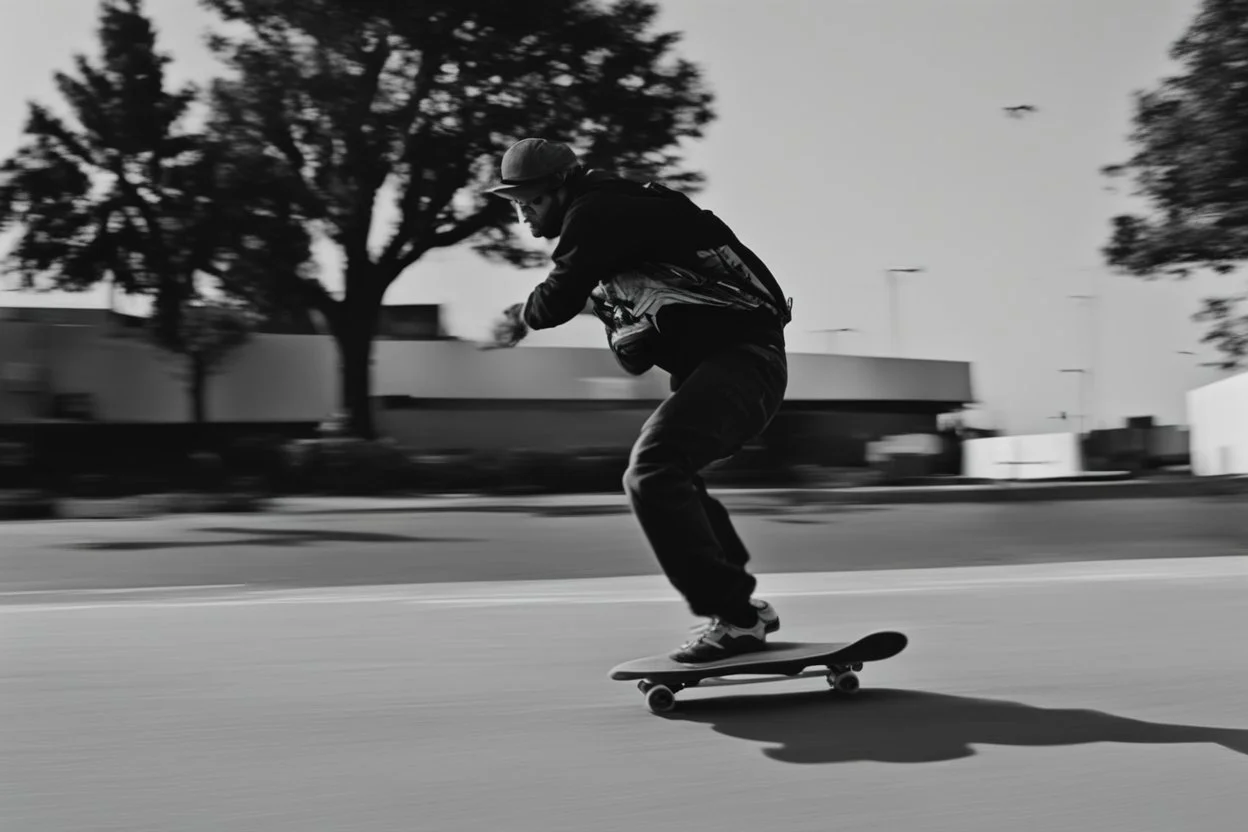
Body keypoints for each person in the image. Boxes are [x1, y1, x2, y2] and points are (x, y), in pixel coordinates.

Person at [485, 138, 792, 663]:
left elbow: (559, 296)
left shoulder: (596, 210)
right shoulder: (621, 214)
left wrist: (523, 316)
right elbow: (589, 293)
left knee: (651, 472)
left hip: (745, 366)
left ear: (562, 187)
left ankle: (736, 618)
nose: (525, 217)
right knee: (672, 476)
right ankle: (741, 607)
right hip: (734, 365)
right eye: (516, 205)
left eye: (531, 202)